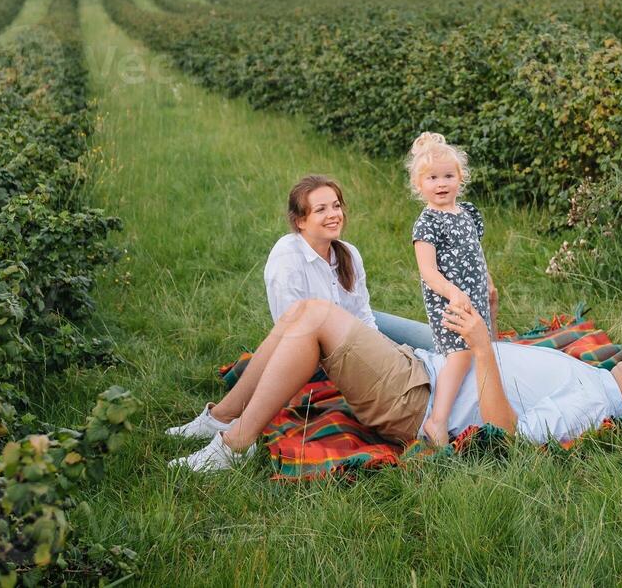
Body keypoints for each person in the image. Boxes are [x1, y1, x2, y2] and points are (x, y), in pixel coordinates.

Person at [166, 295, 622, 472]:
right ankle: (221, 418)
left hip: (414, 399)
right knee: (308, 309)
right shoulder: (592, 374)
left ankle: (233, 448)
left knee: (319, 319)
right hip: (426, 368)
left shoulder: (593, 404)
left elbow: (511, 433)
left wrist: (484, 348)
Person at [165, 174, 431, 438]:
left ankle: (431, 367)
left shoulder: (348, 253)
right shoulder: (287, 256)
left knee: (435, 341)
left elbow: (363, 313)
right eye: (321, 209)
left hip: (356, 331)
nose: (333, 214)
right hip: (324, 345)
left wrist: (387, 353)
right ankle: (218, 420)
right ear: (301, 221)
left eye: (336, 205)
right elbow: (291, 330)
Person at [406, 132, 499, 446]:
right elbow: (428, 271)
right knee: (459, 355)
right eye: (432, 178)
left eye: (448, 175)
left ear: (461, 179)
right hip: (449, 301)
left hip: (475, 295)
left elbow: (477, 251)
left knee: (483, 348)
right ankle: (438, 420)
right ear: (419, 185)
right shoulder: (427, 222)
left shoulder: (468, 214)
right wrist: (453, 293)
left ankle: (480, 405)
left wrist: (487, 280)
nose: (441, 183)